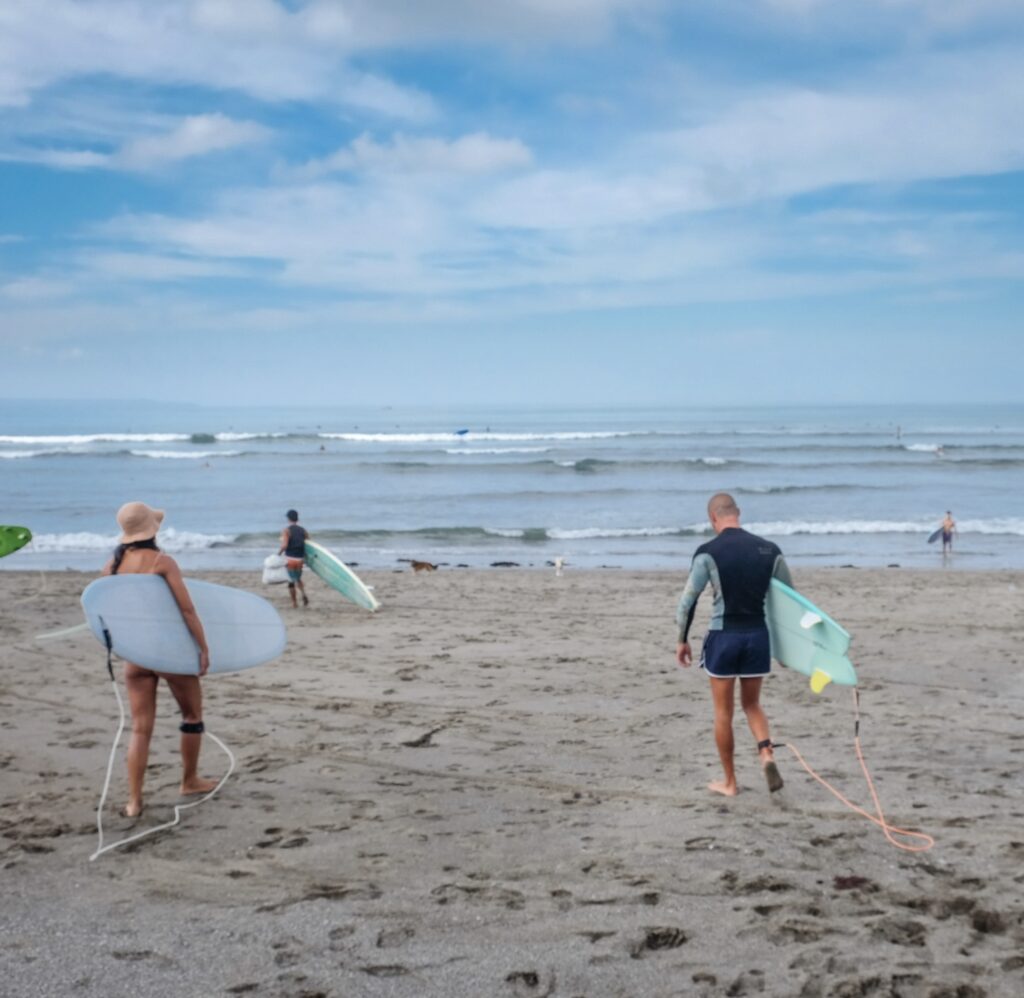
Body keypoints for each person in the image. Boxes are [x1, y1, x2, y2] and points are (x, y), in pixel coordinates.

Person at [102, 502, 217, 818]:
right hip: (167, 652)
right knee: (192, 716)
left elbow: (109, 613)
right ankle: (189, 780)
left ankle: (134, 801)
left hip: (135, 655)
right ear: (152, 529)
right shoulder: (161, 562)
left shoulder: (112, 565)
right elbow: (187, 610)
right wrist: (203, 648)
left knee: (140, 729)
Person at [675, 493, 792, 796]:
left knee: (723, 713)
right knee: (752, 704)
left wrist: (682, 640)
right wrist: (786, 648)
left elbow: (687, 602)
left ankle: (730, 783)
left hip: (724, 638)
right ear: (737, 513)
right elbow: (790, 603)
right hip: (757, 637)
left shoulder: (707, 552)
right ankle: (766, 753)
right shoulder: (770, 550)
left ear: (713, 518)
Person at [279, 509, 310, 608]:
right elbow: (309, 543)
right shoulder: (303, 530)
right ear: (297, 518)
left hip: (290, 560)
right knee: (298, 578)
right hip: (300, 560)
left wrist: (277, 554)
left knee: (291, 582)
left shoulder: (286, 530)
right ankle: (303, 594)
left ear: (288, 518)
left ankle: (294, 603)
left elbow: (284, 545)